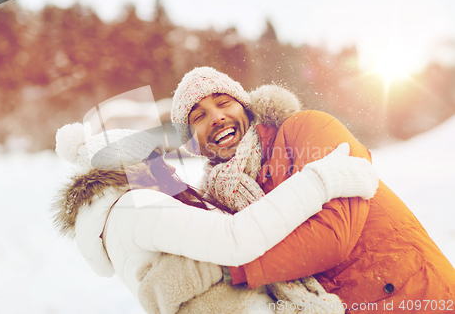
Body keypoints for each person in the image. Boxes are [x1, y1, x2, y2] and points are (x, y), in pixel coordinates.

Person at [170, 66, 455, 312]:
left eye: (223, 102)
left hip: (417, 297)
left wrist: (231, 269)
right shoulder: (217, 199)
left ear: (245, 107)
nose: (217, 117)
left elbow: (334, 235)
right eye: (198, 117)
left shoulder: (306, 127)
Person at [52, 121, 378, 313]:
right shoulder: (135, 207)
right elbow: (235, 239)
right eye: (156, 160)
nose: (170, 167)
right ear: (129, 168)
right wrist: (320, 181)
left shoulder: (117, 219)